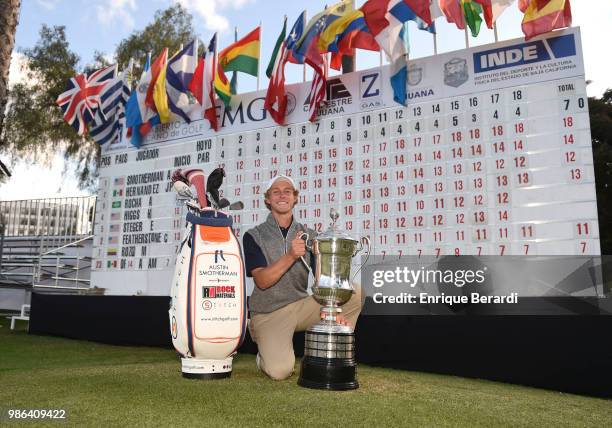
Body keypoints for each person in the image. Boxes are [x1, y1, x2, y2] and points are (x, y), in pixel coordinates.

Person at [243, 175, 362, 380]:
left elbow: (324, 279)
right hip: (268, 312)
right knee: (280, 372)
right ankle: (257, 336)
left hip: (299, 306)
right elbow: (262, 281)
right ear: (268, 199)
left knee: (355, 292)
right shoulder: (254, 236)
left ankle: (335, 339)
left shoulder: (311, 236)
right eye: (276, 191)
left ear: (295, 198)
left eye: (287, 191)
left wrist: (337, 310)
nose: (282, 195)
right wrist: (291, 255)